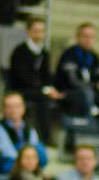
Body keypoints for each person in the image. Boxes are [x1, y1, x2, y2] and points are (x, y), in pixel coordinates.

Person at [9, 16, 63, 144]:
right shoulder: (20, 51)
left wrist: (50, 89)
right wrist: (43, 90)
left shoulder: (44, 52)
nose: (39, 34)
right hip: (21, 89)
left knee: (58, 97)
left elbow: (46, 76)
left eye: (42, 31)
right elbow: (21, 77)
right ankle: (45, 137)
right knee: (43, 98)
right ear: (28, 32)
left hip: (39, 91)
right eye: (36, 31)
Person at [0, 93, 48, 176]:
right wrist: (28, 158)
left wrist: (30, 159)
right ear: (3, 109)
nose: (13, 110)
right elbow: (9, 154)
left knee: (39, 148)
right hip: (8, 169)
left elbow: (35, 152)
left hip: (27, 165)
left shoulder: (30, 128)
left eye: (17, 106)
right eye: (9, 107)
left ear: (23, 108)